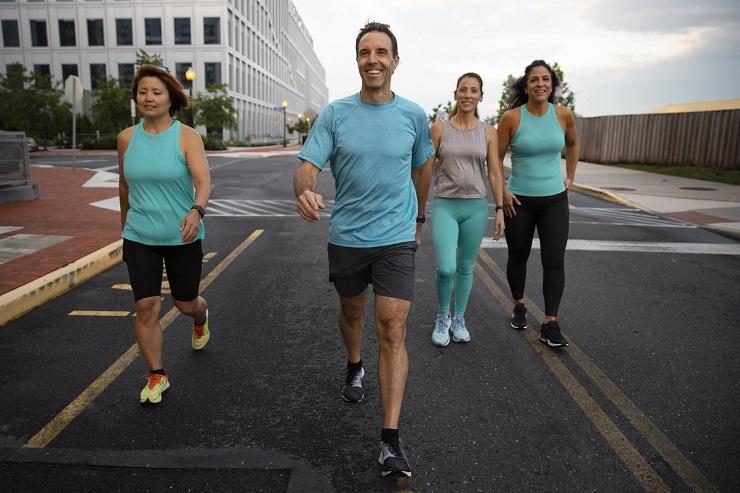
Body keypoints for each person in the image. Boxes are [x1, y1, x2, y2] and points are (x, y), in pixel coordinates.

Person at [293, 21, 434, 478]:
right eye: (364, 52)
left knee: (392, 326)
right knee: (352, 313)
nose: (373, 59)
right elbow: (307, 167)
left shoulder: (413, 116)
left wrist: (417, 218)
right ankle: (354, 364)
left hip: (395, 239)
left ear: (395, 60)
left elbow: (422, 170)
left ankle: (389, 440)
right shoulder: (335, 114)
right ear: (357, 59)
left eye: (381, 52)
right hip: (348, 238)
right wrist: (305, 191)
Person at [117, 64, 212, 404]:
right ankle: (157, 375)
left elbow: (203, 182)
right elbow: (124, 186)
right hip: (140, 235)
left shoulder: (186, 136)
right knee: (146, 307)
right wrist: (124, 227)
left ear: (170, 97)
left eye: (156, 92)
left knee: (185, 303)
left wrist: (196, 210)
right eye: (142, 92)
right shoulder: (127, 138)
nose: (148, 97)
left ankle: (201, 317)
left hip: (182, 235)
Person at [497, 60, 579, 348]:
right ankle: (519, 304)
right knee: (518, 257)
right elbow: (494, 159)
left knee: (554, 261)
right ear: (526, 85)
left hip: (554, 200)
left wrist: (570, 177)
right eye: (534, 80)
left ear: (553, 85)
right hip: (519, 200)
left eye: (546, 79)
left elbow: (572, 145)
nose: (540, 84)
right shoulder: (511, 118)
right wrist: (502, 193)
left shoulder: (564, 115)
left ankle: (550, 322)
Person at [427, 73, 505, 347]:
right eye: (463, 90)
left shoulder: (488, 132)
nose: (468, 95)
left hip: (475, 207)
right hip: (445, 206)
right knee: (446, 268)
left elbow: (494, 172)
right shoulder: (439, 129)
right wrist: (417, 210)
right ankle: (442, 316)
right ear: (456, 94)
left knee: (465, 266)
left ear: (481, 96)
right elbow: (426, 170)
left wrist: (500, 208)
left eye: (474, 90)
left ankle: (459, 317)